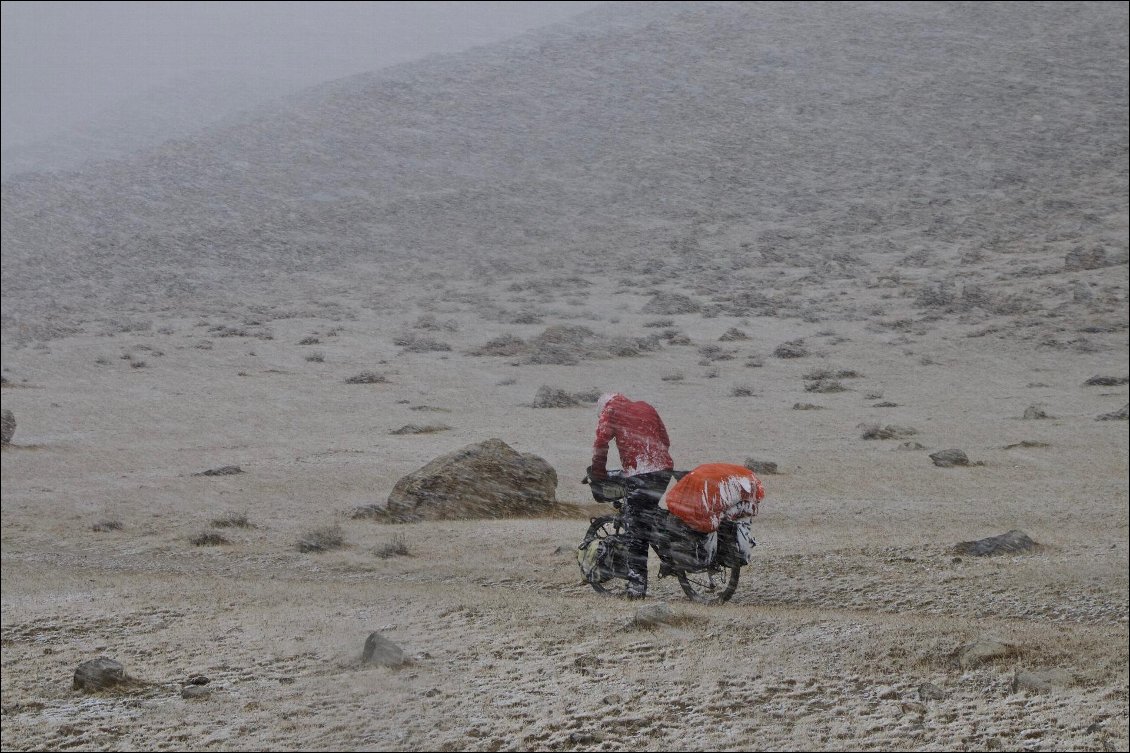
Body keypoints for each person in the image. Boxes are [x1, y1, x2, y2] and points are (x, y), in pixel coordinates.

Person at [589, 392, 674, 599]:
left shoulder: (610, 411)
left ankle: (637, 587)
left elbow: (601, 444)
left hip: (641, 472)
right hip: (662, 470)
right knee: (649, 514)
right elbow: (665, 439)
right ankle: (670, 556)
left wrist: (598, 473)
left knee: (636, 533)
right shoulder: (646, 406)